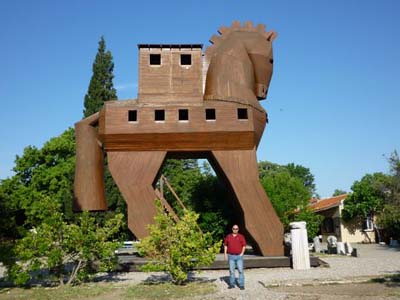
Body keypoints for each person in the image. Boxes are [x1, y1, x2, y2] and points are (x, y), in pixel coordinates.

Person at [224, 224, 246, 290]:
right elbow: (225, 245)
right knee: (231, 271)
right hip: (231, 256)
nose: (235, 230)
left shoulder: (241, 236)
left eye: (236, 229)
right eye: (234, 228)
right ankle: (232, 284)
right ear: (232, 229)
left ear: (238, 230)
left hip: (239, 256)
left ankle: (241, 285)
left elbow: (244, 245)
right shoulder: (228, 236)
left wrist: (242, 253)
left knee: (240, 271)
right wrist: (225, 254)